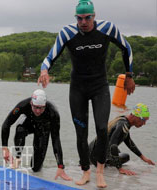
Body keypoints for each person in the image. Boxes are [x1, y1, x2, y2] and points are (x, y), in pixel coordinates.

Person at [37, 0, 135, 188]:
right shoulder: (67, 32)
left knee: (101, 128)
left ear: (94, 16)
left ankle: (99, 171)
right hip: (78, 89)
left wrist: (129, 75)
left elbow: (126, 48)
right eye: (79, 18)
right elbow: (50, 57)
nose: (83, 22)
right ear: (76, 18)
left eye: (87, 17)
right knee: (81, 133)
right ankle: (85, 172)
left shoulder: (108, 28)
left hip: (100, 87)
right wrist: (44, 71)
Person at [1, 89, 72, 181]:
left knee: (35, 168)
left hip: (43, 129)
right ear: (31, 103)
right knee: (20, 129)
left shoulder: (53, 112)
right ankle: (17, 158)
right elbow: (6, 124)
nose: (38, 111)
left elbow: (56, 139)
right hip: (28, 123)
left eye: (41, 108)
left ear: (45, 105)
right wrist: (5, 148)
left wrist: (60, 166)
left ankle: (38, 163)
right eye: (35, 107)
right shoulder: (23, 105)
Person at [89, 103, 155, 175]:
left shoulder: (123, 121)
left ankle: (107, 162)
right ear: (136, 116)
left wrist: (143, 158)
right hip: (95, 157)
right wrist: (120, 168)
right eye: (144, 120)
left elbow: (129, 142)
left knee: (119, 153)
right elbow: (112, 145)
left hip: (92, 153)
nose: (144, 123)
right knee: (125, 156)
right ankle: (105, 163)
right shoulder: (123, 125)